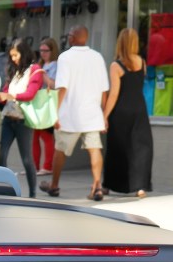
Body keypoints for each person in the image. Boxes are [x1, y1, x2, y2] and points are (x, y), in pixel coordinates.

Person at [39, 25, 109, 201]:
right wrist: (104, 114)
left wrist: (55, 112)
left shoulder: (65, 57)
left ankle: (54, 186)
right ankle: (97, 186)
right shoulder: (97, 57)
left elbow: (62, 87)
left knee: (60, 150)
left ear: (73, 38)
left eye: (69, 35)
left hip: (70, 114)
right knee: (95, 149)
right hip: (92, 113)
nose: (68, 37)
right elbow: (103, 90)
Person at [101, 29, 153, 198]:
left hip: (121, 111)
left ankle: (109, 185)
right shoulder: (142, 62)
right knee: (140, 148)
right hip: (139, 109)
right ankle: (141, 187)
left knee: (117, 148)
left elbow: (114, 93)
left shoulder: (116, 65)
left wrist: (105, 116)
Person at [0, 37, 44, 198]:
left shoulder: (35, 70)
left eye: (16, 55)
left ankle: (32, 194)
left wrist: (9, 95)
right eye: (12, 56)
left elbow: (30, 94)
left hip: (23, 121)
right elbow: (5, 91)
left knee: (27, 159)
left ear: (24, 53)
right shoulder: (14, 71)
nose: (13, 59)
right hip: (8, 118)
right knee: (2, 156)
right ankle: (5, 190)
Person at [32, 37, 60, 175]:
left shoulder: (54, 65)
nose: (42, 53)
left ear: (52, 51)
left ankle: (47, 166)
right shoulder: (41, 64)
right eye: (41, 50)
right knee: (34, 136)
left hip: (47, 102)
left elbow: (54, 85)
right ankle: (34, 166)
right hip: (37, 102)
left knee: (46, 136)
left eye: (46, 51)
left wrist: (42, 74)